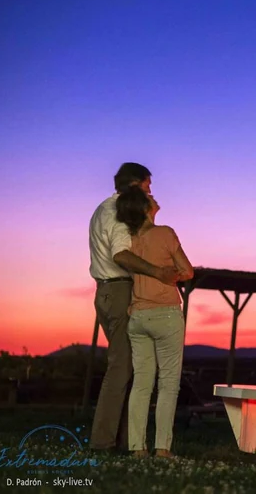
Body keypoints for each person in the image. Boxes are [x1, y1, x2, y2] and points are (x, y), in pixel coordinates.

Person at [88, 163, 179, 452]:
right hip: (118, 290)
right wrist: (158, 272)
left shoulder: (104, 208)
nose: (151, 190)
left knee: (131, 367)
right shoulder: (116, 212)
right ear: (136, 185)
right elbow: (121, 255)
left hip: (108, 291)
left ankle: (127, 441)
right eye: (148, 185)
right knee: (123, 367)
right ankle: (102, 443)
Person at [116, 187, 194, 458]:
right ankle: (162, 448)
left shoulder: (130, 240)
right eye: (149, 196)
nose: (153, 196)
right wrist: (173, 275)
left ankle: (137, 448)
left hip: (137, 316)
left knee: (141, 383)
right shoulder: (165, 233)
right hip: (165, 314)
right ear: (145, 207)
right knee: (169, 382)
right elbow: (188, 270)